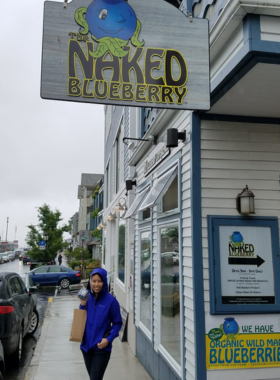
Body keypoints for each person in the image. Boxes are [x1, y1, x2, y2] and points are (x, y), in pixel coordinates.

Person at [79, 268, 122, 380]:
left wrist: (108, 339)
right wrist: (82, 305)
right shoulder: (87, 297)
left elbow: (117, 324)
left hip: (101, 348)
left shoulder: (111, 301)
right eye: (94, 281)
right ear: (90, 281)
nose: (96, 284)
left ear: (104, 282)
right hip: (86, 348)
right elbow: (80, 320)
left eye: (99, 281)